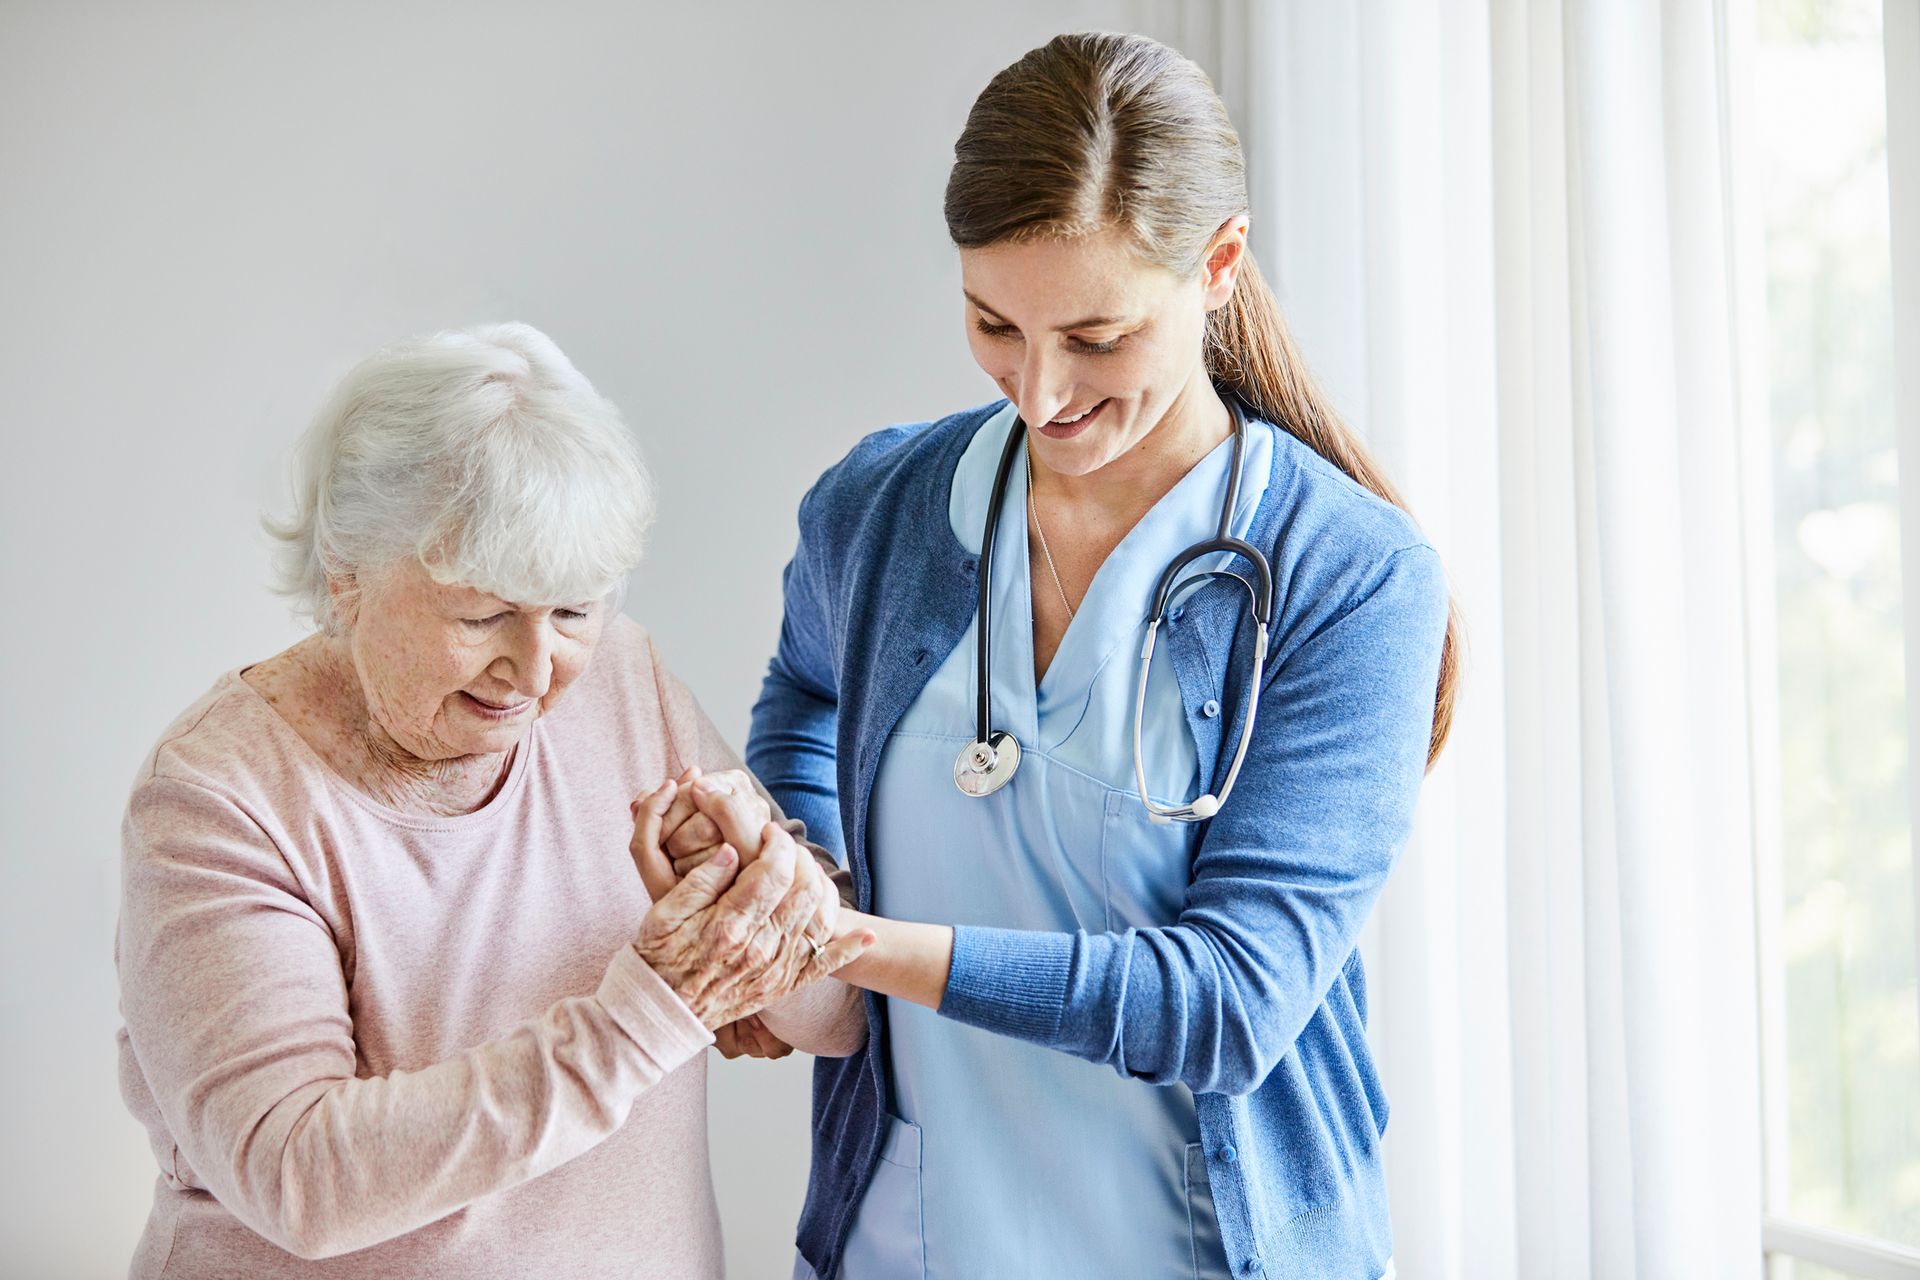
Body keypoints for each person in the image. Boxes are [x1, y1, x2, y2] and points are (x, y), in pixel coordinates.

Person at [742, 32, 1458, 1280]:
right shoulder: (883, 505)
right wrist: (792, 857)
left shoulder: (1349, 575)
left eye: (1097, 336)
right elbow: (803, 686)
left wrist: (833, 937)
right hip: (908, 1240)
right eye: (993, 324)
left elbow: (1231, 999)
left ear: (1220, 264)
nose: (1040, 389)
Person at [113, 322, 871, 1279]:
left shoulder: (621, 678)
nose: (535, 669)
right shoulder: (218, 797)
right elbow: (298, 1175)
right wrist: (654, 1007)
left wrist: (757, 918)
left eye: (574, 610)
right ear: (345, 576)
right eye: (482, 615)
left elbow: (837, 1013)